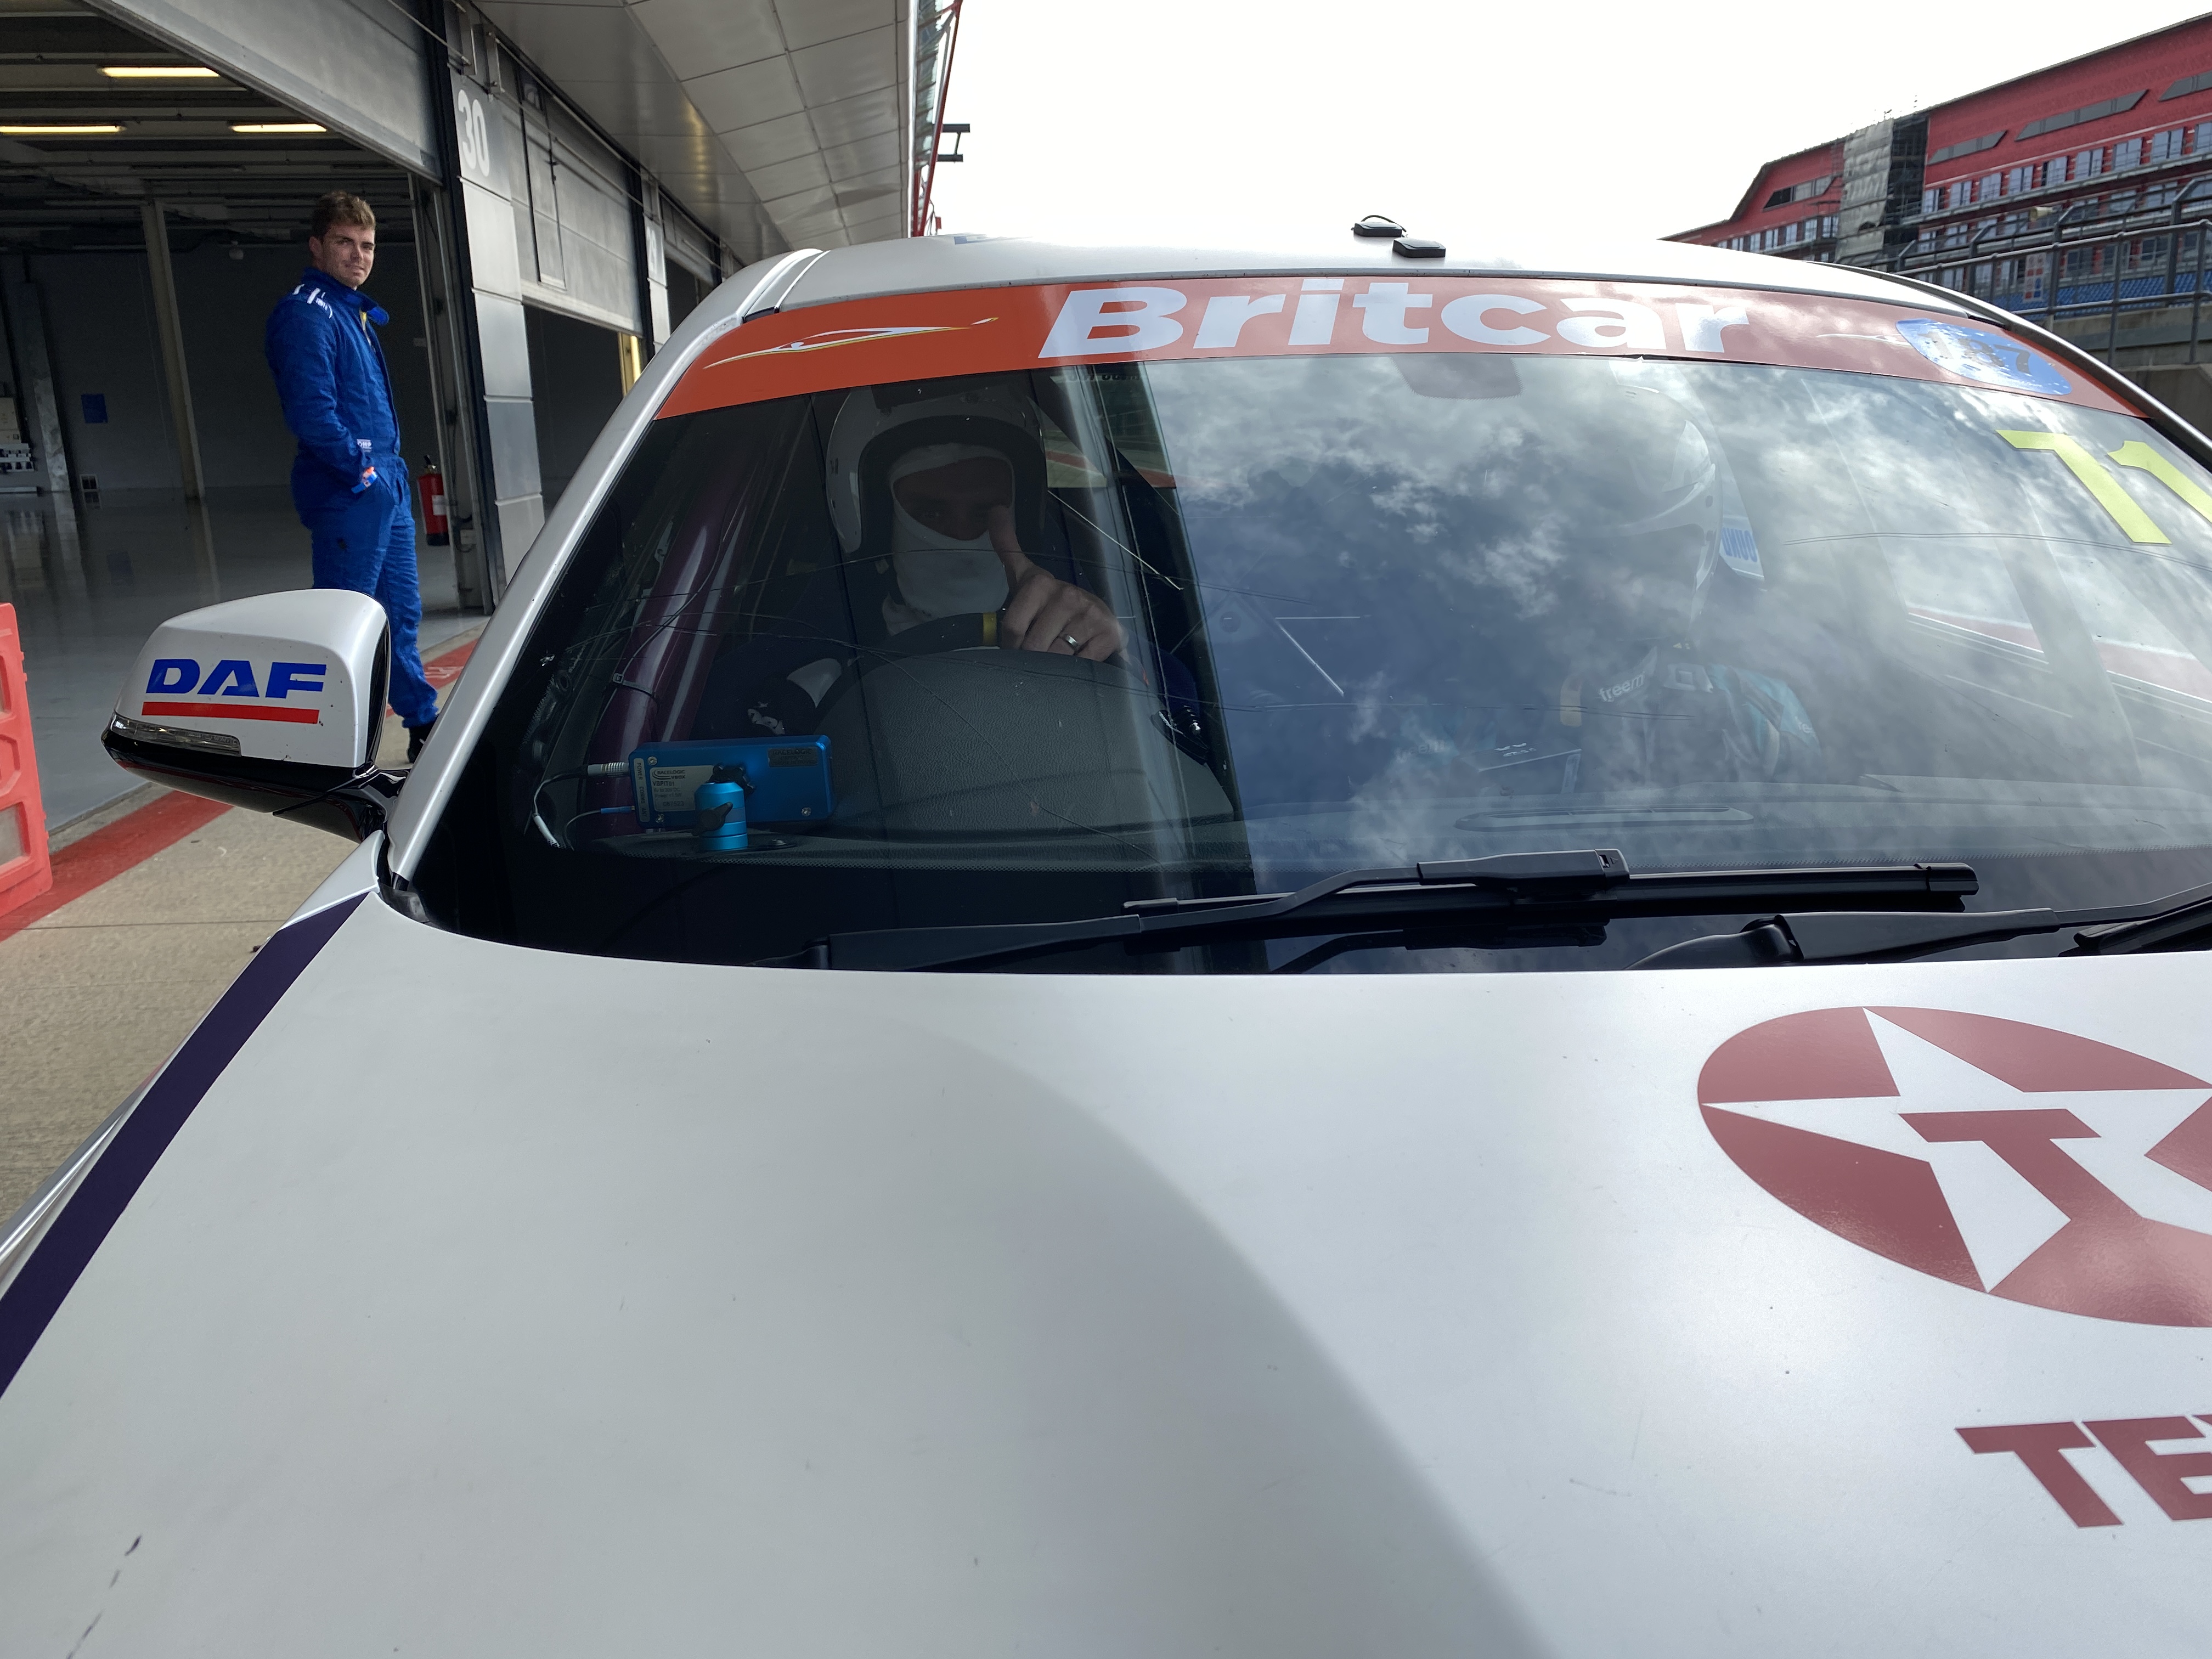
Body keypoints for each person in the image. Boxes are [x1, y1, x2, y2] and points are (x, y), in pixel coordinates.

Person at [264, 190, 438, 759]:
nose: (358, 255)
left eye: (366, 246)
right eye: (344, 242)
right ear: (317, 246)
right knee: (345, 623)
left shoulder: (350, 312)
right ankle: (336, 742)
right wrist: (360, 472)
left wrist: (380, 475)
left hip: (382, 482)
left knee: (400, 614)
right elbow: (311, 410)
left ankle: (420, 721)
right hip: (351, 488)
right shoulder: (306, 312)